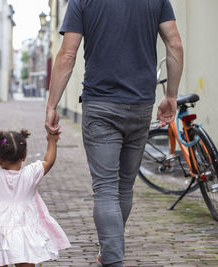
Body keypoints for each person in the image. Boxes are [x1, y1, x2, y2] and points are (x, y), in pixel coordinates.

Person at [45, 0, 183, 266]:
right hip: (141, 104)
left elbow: (67, 55)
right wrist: (171, 95)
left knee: (106, 189)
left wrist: (52, 104)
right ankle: (110, 249)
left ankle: (112, 258)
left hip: (100, 105)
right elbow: (175, 44)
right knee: (123, 187)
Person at [0, 130, 71, 266]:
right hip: (25, 233)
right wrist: (52, 141)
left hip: (0, 233)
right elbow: (48, 161)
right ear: (24, 156)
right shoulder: (31, 173)